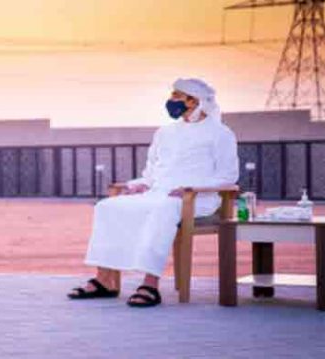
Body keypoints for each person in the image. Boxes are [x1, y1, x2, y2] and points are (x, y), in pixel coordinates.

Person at [68, 78, 239, 307]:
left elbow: (228, 176)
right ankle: (105, 280)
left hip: (197, 198)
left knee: (164, 208)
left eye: (177, 96)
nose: (172, 101)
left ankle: (150, 283)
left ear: (195, 101)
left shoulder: (220, 133)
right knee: (107, 206)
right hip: (159, 193)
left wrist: (191, 189)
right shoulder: (165, 133)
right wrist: (140, 184)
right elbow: (151, 172)